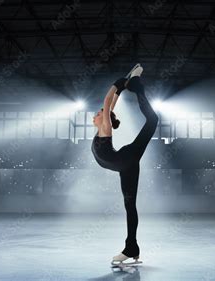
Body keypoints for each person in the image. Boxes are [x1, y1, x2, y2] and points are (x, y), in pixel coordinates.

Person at [91, 64, 159, 265]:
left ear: (103, 120)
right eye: (98, 114)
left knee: (153, 120)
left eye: (97, 114)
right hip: (125, 165)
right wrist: (119, 90)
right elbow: (110, 106)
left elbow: (106, 102)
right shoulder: (102, 127)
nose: (95, 115)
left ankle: (137, 85)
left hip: (126, 158)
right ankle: (132, 247)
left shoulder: (105, 126)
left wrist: (118, 83)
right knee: (130, 206)